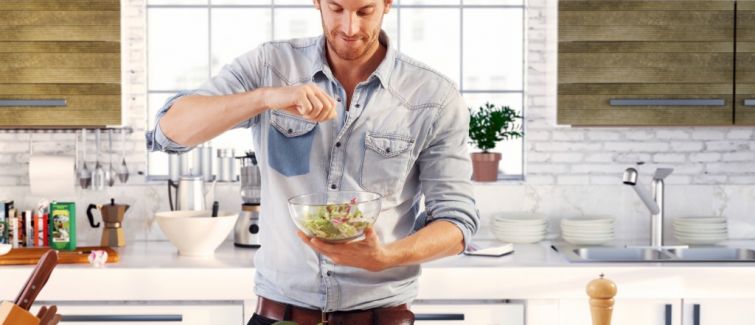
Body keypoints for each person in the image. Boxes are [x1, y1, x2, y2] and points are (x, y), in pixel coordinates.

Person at [146, 0, 479, 324]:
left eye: (364, 11)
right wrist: (266, 98)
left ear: (388, 3)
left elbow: (457, 223)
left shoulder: (433, 97)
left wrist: (384, 258)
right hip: (278, 314)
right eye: (336, 9)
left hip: (380, 315)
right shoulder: (270, 66)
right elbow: (168, 132)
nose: (350, 27)